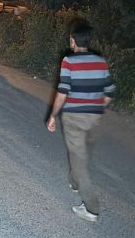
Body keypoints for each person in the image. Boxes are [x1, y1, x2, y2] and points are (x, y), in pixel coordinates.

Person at [46, 22, 116, 222]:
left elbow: (63, 92)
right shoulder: (100, 61)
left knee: (79, 161)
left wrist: (53, 115)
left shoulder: (69, 61)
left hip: (74, 117)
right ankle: (75, 182)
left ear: (72, 41)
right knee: (83, 153)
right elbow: (109, 92)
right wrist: (97, 107)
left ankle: (91, 208)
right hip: (93, 117)